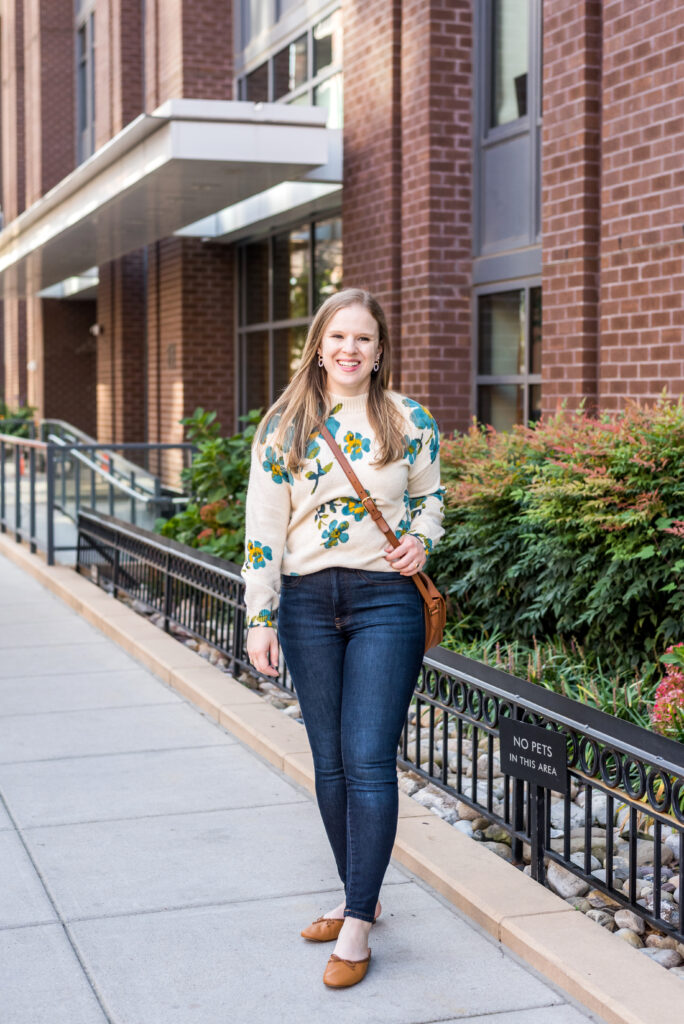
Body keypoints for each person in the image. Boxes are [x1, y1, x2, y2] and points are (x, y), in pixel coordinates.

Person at [241, 288, 445, 988]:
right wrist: (259, 617)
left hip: (386, 601)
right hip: (303, 603)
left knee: (366, 758)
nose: (350, 350)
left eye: (363, 339)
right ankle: (364, 893)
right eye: (338, 338)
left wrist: (420, 540)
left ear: (380, 349)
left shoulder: (409, 420)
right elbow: (263, 530)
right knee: (328, 762)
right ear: (319, 347)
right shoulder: (285, 425)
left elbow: (428, 500)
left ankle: (357, 922)